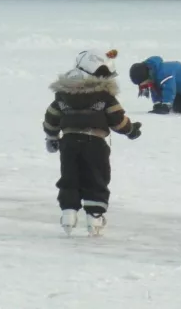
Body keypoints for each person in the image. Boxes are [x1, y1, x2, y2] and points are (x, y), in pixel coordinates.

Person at [43, 49, 142, 235]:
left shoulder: (64, 95)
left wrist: (52, 137)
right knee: (97, 177)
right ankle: (95, 216)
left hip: (69, 142)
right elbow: (117, 119)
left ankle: (68, 212)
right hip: (95, 143)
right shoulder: (105, 97)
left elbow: (51, 117)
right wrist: (131, 130)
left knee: (70, 176)